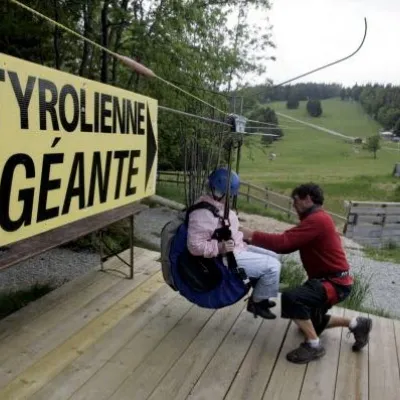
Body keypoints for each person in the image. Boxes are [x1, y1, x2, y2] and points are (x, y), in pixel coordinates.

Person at [240, 183, 372, 364]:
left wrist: (251, 235)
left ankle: (313, 345)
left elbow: (284, 243)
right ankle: (356, 324)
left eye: (296, 200)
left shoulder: (317, 220)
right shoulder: (319, 219)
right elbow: (287, 242)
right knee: (308, 322)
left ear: (308, 198)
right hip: (335, 281)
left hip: (333, 284)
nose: (294, 205)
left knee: (291, 299)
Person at [187, 167, 282, 319]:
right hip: (227, 258)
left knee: (275, 257)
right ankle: (256, 304)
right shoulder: (202, 214)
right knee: (273, 267)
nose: (230, 198)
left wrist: (247, 236)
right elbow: (194, 246)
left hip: (238, 248)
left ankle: (260, 296)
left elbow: (228, 228)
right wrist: (220, 247)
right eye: (229, 195)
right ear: (219, 192)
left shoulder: (217, 205)